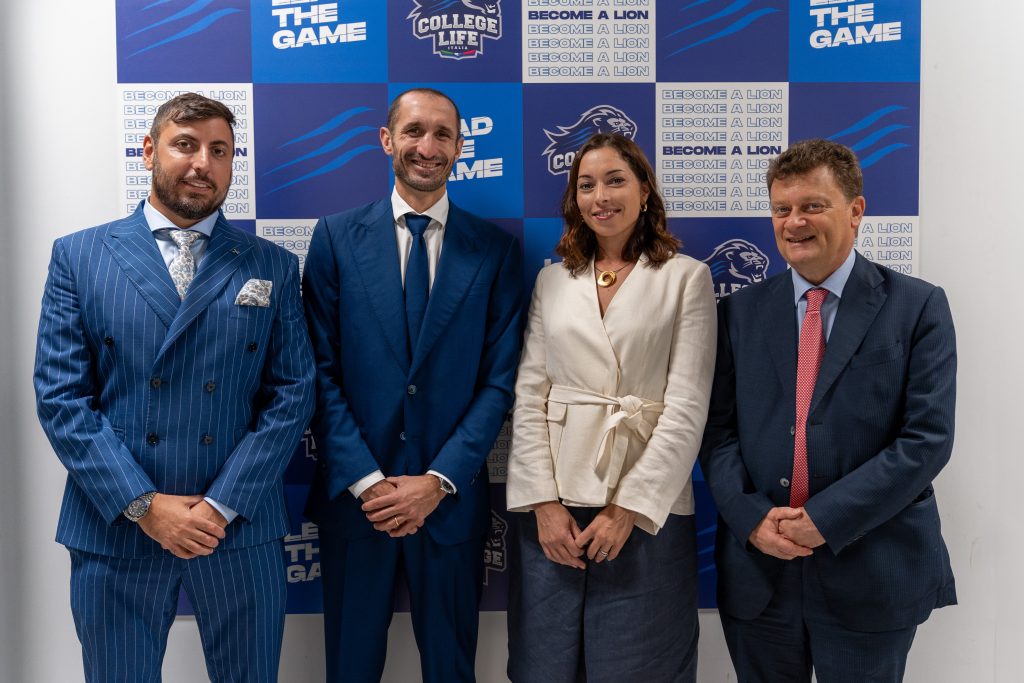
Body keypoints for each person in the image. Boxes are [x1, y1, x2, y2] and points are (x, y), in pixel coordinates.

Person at [34, 92, 315, 682]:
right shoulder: (80, 256)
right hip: (117, 527)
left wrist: (220, 505)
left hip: (236, 527)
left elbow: (292, 395)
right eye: (185, 145)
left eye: (220, 151)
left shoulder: (272, 264)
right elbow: (62, 399)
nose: (202, 164)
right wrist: (144, 506)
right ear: (148, 151)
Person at [699, 138, 957, 682]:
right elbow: (717, 433)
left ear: (855, 211)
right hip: (760, 572)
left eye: (812, 206)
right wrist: (752, 519)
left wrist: (825, 519)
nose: (794, 222)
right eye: (781, 209)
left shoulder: (917, 307)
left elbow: (926, 441)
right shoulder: (739, 312)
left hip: (871, 569)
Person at [302, 87, 524, 683]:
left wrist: (437, 480)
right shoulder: (334, 239)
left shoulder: (496, 251)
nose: (427, 147)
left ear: (459, 147)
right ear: (386, 140)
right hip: (358, 504)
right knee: (350, 668)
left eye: (443, 135)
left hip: (449, 505)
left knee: (452, 669)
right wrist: (369, 482)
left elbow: (499, 383)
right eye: (414, 131)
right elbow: (316, 372)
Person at [506, 133, 717, 682]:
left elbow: (687, 406)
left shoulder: (685, 278)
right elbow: (530, 395)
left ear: (644, 190)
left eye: (616, 180)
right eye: (587, 184)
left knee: (641, 666)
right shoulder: (553, 281)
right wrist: (542, 504)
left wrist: (629, 509)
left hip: (647, 512)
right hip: (553, 511)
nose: (601, 195)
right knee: (543, 665)